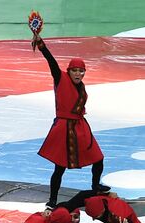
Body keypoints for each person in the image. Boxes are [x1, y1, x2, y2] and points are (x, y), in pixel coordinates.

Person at [31, 27, 105, 206]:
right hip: (64, 128)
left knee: (98, 158)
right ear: (69, 71)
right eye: (75, 71)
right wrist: (40, 43)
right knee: (60, 167)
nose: (78, 74)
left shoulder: (82, 86)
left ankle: (95, 186)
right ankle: (52, 199)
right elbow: (51, 61)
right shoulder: (60, 78)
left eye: (81, 71)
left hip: (80, 126)